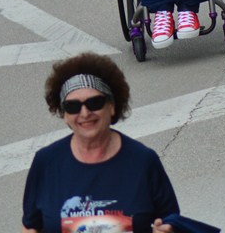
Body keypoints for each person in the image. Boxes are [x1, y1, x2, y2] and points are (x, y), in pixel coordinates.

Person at [22, 52, 179, 233]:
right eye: (73, 106)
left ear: (111, 106)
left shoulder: (143, 161)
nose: (85, 113)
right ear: (64, 114)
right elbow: (30, 227)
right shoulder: (46, 162)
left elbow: (171, 222)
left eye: (95, 102)